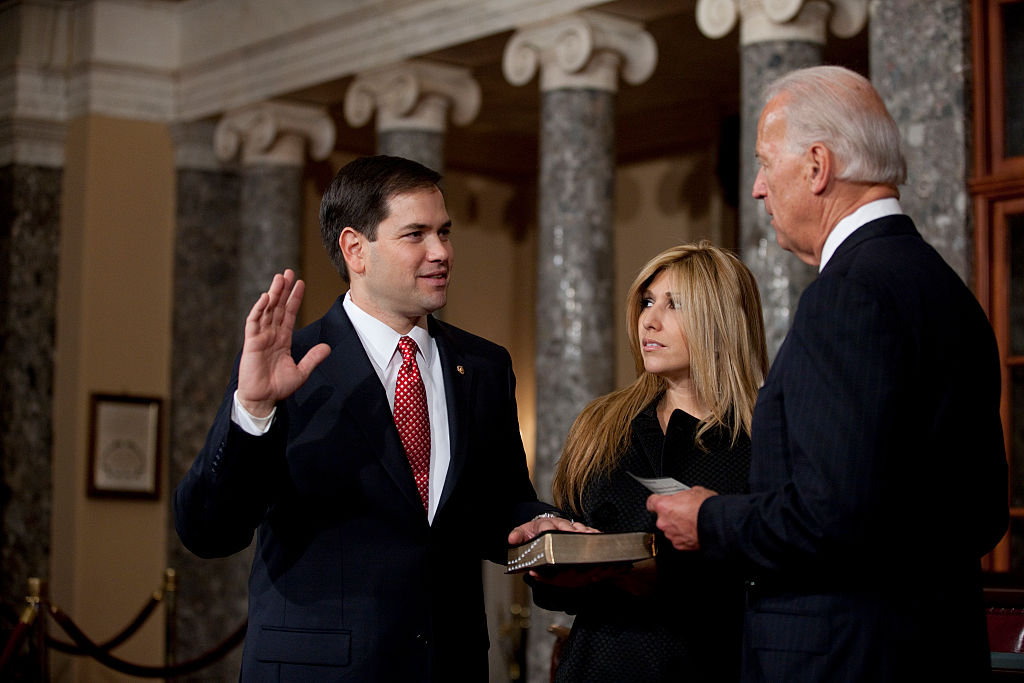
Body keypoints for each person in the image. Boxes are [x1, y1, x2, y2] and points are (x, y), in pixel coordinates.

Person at [646, 65, 1009, 681]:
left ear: (817, 166)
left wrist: (708, 518)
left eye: (765, 162)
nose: (757, 187)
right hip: (937, 648)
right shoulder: (947, 290)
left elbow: (833, 517)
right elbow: (983, 512)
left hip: (846, 657)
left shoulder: (848, 294)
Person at [174, 155, 581, 682]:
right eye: (416, 234)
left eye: (444, 232)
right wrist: (253, 412)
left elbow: (497, 505)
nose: (441, 253)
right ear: (355, 249)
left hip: (449, 665)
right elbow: (208, 531)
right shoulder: (290, 365)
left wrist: (538, 525)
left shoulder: (484, 365)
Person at [529, 242, 768, 682]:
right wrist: (549, 560)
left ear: (719, 320)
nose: (649, 320)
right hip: (599, 666)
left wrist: (668, 577)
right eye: (647, 301)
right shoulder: (601, 424)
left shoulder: (764, 437)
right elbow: (570, 547)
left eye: (674, 304)